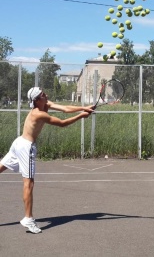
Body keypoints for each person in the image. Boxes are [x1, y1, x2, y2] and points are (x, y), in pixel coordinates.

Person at [0, 87, 94, 233]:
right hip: (26, 147)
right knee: (28, 183)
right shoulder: (38, 114)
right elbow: (62, 123)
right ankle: (28, 219)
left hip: (18, 143)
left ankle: (28, 218)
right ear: (37, 100)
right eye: (43, 94)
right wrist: (81, 116)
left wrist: (83, 107)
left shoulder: (45, 104)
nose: (46, 95)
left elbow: (65, 108)